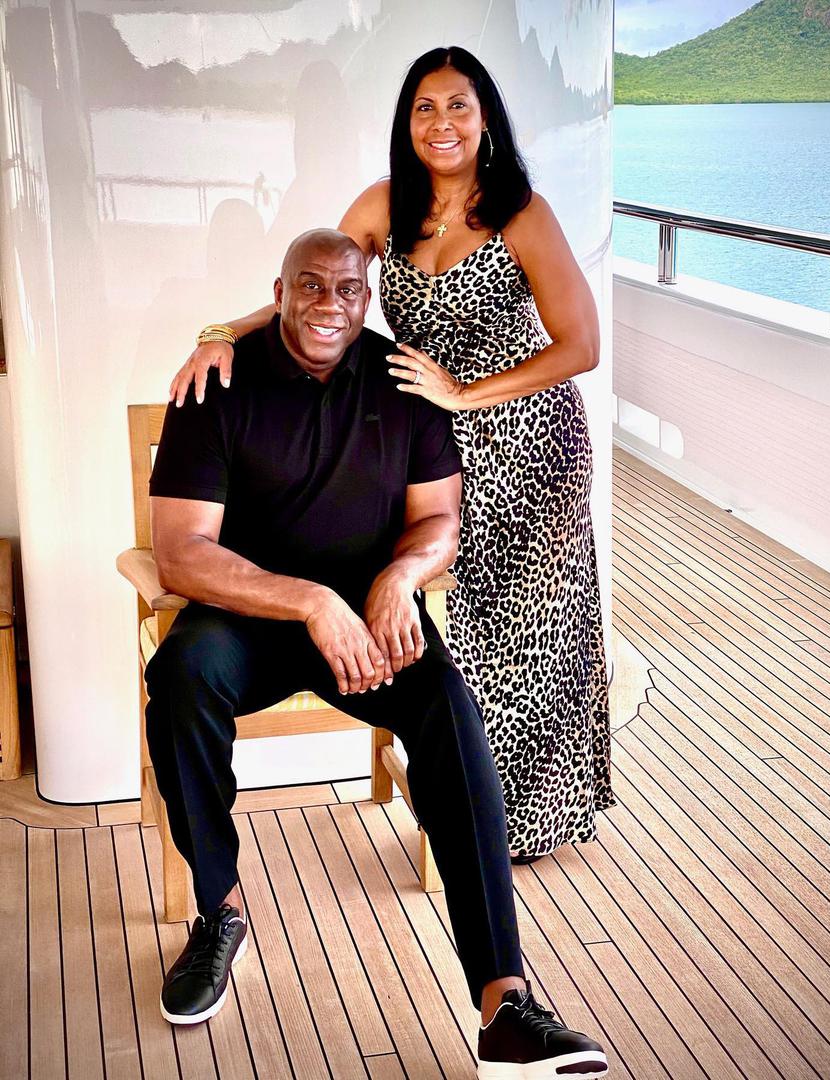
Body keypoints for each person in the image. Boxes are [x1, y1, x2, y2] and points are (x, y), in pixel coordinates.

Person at [145, 229, 608, 1079]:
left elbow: (438, 520)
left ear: (369, 297)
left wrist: (402, 575)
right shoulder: (217, 382)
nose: (330, 304)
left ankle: (504, 1003)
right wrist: (311, 601)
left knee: (449, 707)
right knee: (179, 677)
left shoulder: (405, 383)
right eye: (310, 286)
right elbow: (180, 553)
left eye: (348, 289)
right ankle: (219, 913)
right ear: (278, 292)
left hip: (372, 621)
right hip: (251, 618)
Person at [170, 46, 614, 862]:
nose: (442, 123)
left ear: (485, 119)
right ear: (406, 122)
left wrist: (466, 394)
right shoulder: (384, 205)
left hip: (528, 442)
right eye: (424, 108)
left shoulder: (521, 212)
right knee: (451, 635)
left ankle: (521, 825)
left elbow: (580, 345)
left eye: (458, 106)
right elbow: (316, 289)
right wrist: (219, 332)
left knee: (530, 636)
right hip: (425, 445)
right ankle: (465, 815)